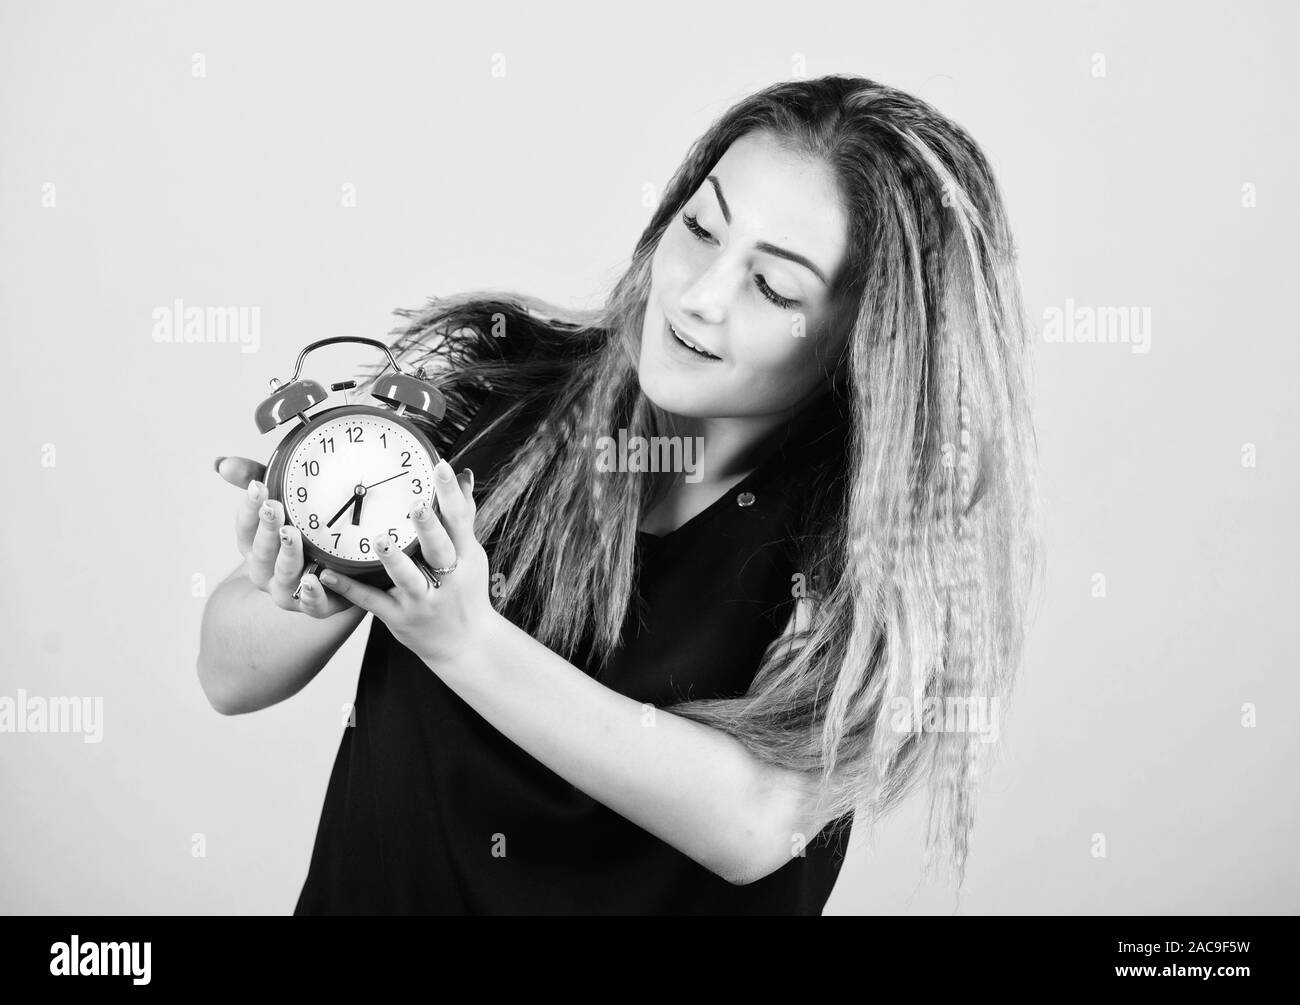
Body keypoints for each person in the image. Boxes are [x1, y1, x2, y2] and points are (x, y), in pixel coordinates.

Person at [198, 74, 1044, 915]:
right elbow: (227, 674)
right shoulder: (499, 399)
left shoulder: (857, 549)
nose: (698, 294)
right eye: (701, 227)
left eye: (774, 288)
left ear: (868, 339)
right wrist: (313, 580)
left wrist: (466, 645)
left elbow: (756, 823)